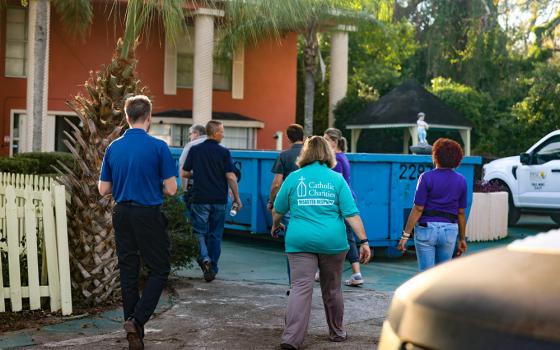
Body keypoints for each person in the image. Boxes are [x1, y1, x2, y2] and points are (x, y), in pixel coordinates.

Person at [271, 136, 371, 350]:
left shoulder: (294, 178)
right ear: (328, 153)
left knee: (300, 288)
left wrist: (275, 225)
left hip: (300, 241)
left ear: (304, 154)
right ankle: (337, 332)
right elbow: (351, 214)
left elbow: (278, 210)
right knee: (333, 288)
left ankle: (291, 339)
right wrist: (364, 241)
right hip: (332, 242)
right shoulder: (336, 179)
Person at [98, 95, 177, 350]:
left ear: (126, 116)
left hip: (121, 213)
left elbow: (103, 189)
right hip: (147, 213)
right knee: (159, 269)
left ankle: (135, 333)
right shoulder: (159, 146)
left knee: (129, 270)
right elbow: (172, 189)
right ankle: (137, 320)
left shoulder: (113, 147)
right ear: (149, 117)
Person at [181, 120, 242, 282]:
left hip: (200, 198)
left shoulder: (195, 149)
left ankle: (205, 258)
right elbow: (230, 176)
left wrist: (198, 174)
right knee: (215, 234)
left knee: (199, 232)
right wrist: (237, 198)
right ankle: (212, 267)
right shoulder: (224, 152)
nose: (223, 134)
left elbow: (185, 173)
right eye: (221, 131)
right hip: (219, 199)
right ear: (214, 132)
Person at [398, 138, 468, 271]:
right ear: (457, 159)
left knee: (425, 276)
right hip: (449, 230)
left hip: (426, 229)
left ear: (435, 156)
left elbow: (418, 208)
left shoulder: (426, 177)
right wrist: (462, 239)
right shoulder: (461, 181)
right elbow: (461, 212)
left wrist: (405, 236)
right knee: (441, 275)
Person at [323, 128, 365, 287]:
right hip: (347, 200)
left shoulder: (336, 160)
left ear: (334, 141)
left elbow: (336, 184)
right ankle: (355, 273)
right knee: (346, 236)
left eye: (326, 139)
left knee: (343, 236)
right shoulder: (341, 157)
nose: (324, 141)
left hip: (342, 201)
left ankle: (355, 273)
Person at [268, 124, 304, 292]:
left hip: (291, 204)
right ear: (303, 135)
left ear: (288, 138)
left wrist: (272, 202)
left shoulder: (284, 155)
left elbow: (277, 183)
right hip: (313, 205)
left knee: (293, 246)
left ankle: (294, 285)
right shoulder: (313, 154)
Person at [178, 124, 207, 219]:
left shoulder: (191, 145)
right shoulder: (220, 145)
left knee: (193, 220)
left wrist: (184, 189)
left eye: (190, 134)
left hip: (195, 188)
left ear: (196, 133)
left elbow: (183, 168)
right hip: (217, 190)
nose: (189, 137)